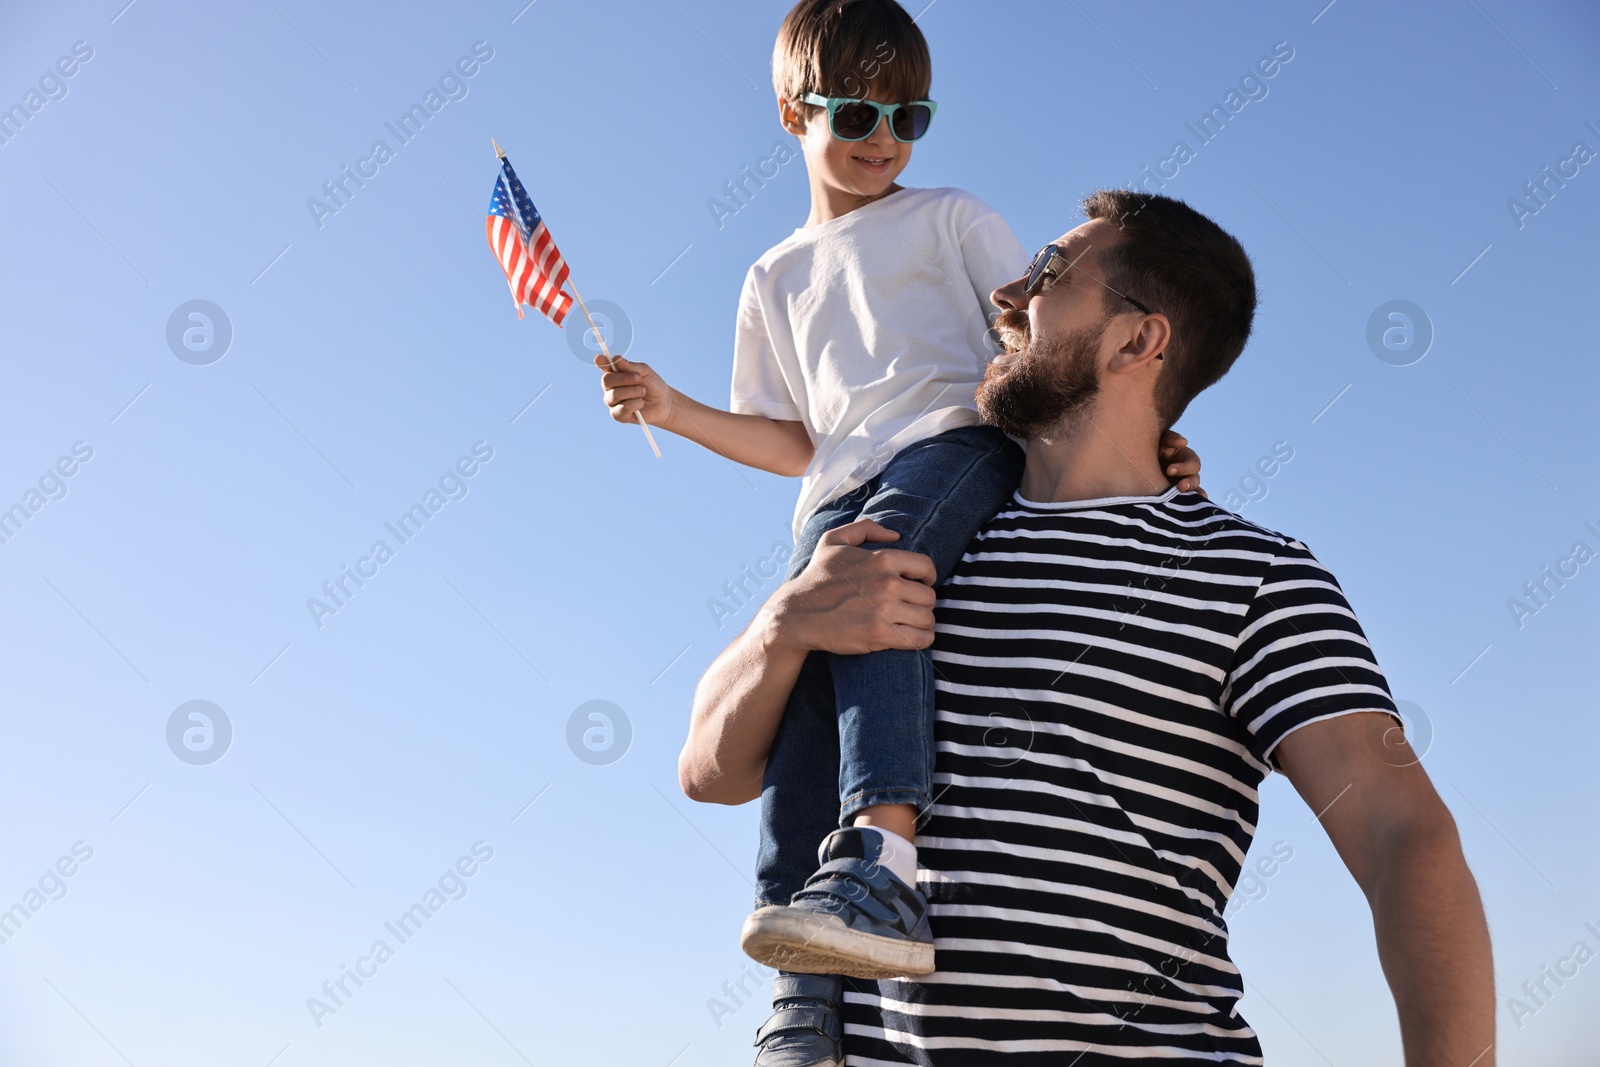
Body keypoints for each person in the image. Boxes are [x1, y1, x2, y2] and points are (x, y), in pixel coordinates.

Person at [679, 190, 1495, 1065]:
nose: (1005, 294)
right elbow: (710, 772)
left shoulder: (1253, 575)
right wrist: (784, 623)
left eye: (1049, 272)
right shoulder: (914, 542)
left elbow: (1402, 834)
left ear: (1138, 340)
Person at [596, 0, 1202, 1010]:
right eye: (858, 115)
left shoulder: (950, 217)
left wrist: (1133, 434)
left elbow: (1032, 345)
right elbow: (796, 437)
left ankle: (883, 859)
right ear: (794, 114)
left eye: (908, 117)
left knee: (878, 581)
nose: (885, 139)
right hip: (835, 493)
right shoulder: (771, 276)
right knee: (801, 702)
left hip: (954, 443)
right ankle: (803, 1000)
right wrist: (674, 407)